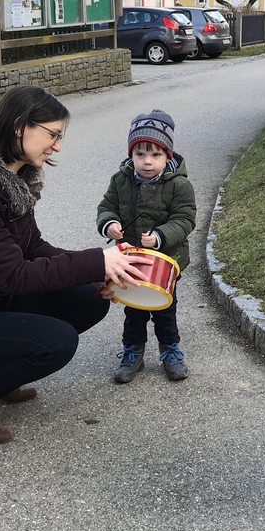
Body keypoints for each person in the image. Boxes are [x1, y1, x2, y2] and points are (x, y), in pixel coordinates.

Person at [0, 85, 152, 446]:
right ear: (21, 127)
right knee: (57, 342)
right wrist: (97, 260)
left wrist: (102, 268)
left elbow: (33, 247)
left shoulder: (9, 179)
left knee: (88, 299)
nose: (57, 146)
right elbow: (14, 275)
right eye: (52, 135)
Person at [96, 109, 197, 383]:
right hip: (131, 259)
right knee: (134, 310)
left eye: (155, 155)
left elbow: (185, 218)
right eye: (140, 154)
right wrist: (110, 223)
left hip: (167, 258)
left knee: (165, 310)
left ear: (168, 156)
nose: (147, 162)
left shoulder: (179, 186)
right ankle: (132, 351)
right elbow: (107, 206)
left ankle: (170, 350)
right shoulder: (120, 180)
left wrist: (161, 236)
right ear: (131, 155)